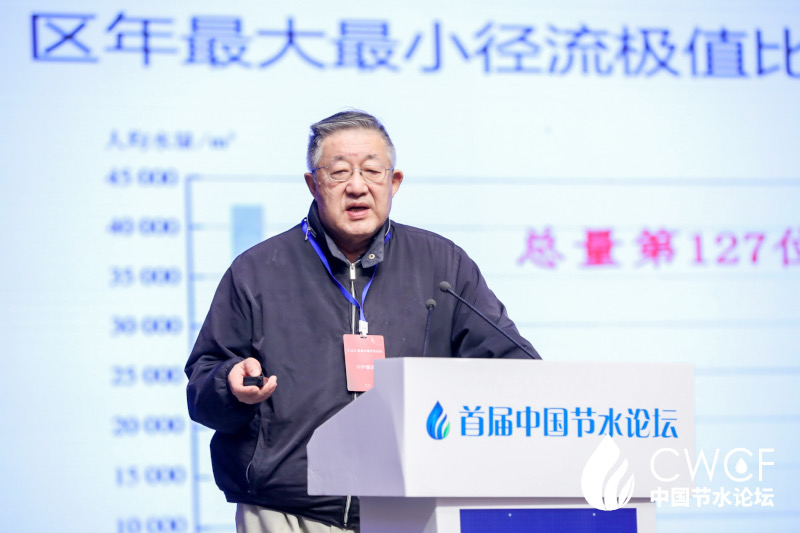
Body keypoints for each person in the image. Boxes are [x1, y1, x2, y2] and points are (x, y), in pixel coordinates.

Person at [184, 110, 540, 533]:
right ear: (313, 184)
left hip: (414, 510)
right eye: (339, 173)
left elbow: (514, 366)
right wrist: (229, 386)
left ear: (394, 182)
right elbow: (202, 388)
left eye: (372, 171)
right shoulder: (258, 270)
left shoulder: (443, 265)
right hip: (288, 513)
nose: (357, 186)